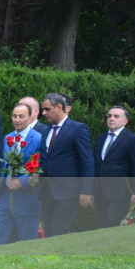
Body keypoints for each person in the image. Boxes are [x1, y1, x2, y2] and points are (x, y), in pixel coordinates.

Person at [38, 92, 94, 236]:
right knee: (50, 231)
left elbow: (87, 161)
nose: (43, 113)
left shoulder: (78, 129)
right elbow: (46, 159)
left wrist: (86, 190)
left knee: (58, 231)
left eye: (47, 109)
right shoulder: (47, 130)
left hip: (69, 191)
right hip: (48, 192)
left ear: (59, 107)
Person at [0, 104, 43, 246]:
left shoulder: (38, 139)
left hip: (27, 197)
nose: (17, 120)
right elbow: (4, 165)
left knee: (28, 242)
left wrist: (22, 182)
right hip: (4, 196)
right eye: (14, 116)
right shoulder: (8, 138)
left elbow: (41, 168)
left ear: (30, 118)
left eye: (21, 116)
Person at [92, 106, 135, 229]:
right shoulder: (100, 138)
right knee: (103, 223)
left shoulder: (132, 139)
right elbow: (98, 165)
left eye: (116, 116)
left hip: (120, 192)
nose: (111, 118)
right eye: (109, 116)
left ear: (125, 121)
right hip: (100, 192)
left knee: (113, 223)